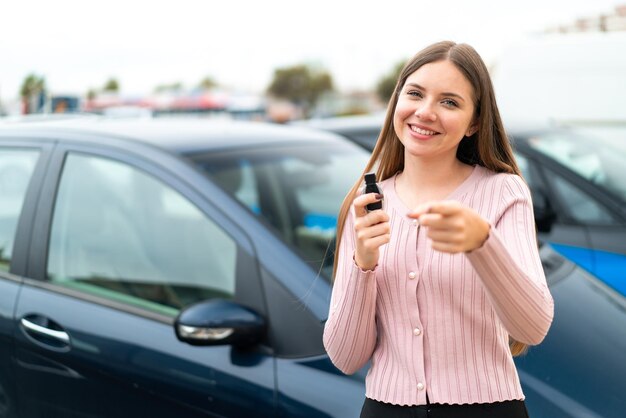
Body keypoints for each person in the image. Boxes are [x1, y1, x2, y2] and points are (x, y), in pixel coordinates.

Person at [323, 40, 554, 418]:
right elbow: (346, 357)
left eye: (449, 102)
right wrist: (362, 264)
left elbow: (532, 328)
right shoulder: (365, 205)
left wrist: (482, 243)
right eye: (415, 94)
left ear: (474, 123)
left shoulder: (502, 192)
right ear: (397, 101)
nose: (425, 112)